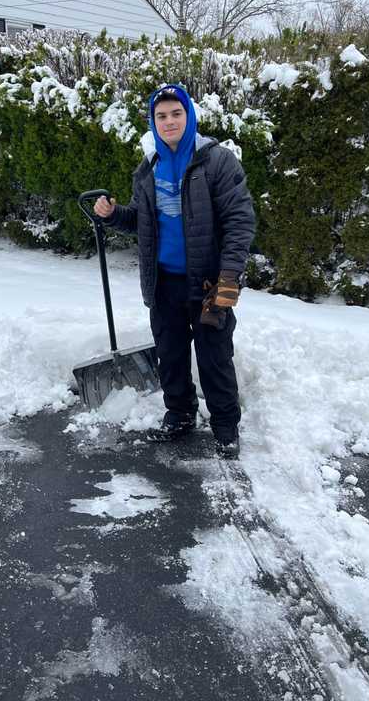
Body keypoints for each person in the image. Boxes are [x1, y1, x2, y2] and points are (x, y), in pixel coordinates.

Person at [93, 84, 255, 457]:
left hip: (210, 281)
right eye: (161, 116)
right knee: (171, 352)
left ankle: (226, 426)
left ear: (189, 116)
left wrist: (228, 282)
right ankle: (180, 414)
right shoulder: (149, 168)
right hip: (163, 281)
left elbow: (239, 222)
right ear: (153, 121)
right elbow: (142, 221)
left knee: (214, 355)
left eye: (175, 114)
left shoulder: (217, 161)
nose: (168, 122)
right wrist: (114, 215)